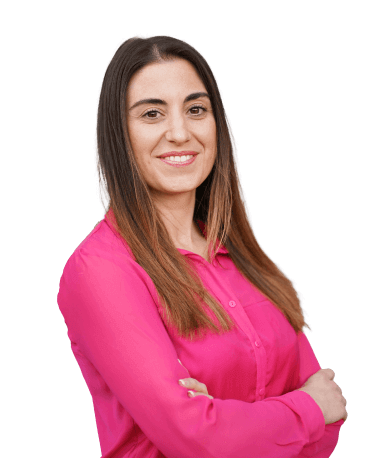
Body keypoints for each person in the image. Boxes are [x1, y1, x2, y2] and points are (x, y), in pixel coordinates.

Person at [57, 34, 347, 457]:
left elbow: (330, 420)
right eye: (152, 113)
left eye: (196, 109)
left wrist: (227, 418)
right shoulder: (101, 270)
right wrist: (302, 411)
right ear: (119, 134)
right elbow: (196, 439)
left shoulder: (245, 258)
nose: (180, 132)